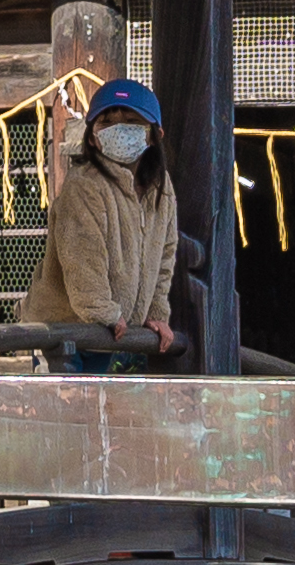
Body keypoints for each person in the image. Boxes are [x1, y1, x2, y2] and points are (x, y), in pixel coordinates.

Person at [27, 75, 182, 357]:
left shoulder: (161, 187)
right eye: (106, 123)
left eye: (132, 122)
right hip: (68, 330)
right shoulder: (84, 185)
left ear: (153, 133)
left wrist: (157, 312)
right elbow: (81, 256)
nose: (119, 130)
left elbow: (164, 257)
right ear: (93, 137)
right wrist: (102, 311)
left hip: (116, 334)